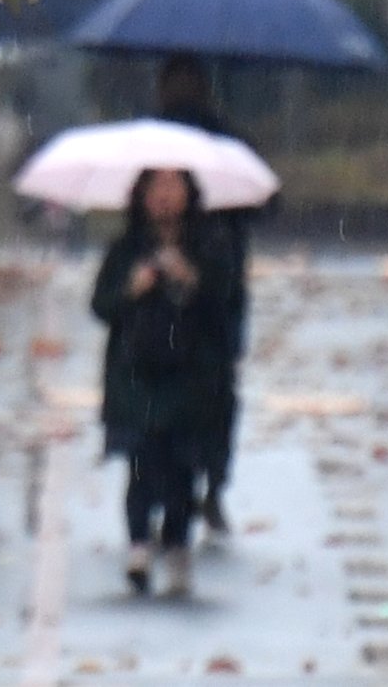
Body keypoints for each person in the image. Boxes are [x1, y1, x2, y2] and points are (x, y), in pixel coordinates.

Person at [91, 167, 234, 598]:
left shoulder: (211, 246)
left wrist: (191, 280)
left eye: (174, 187)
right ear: (141, 195)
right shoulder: (126, 249)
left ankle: (176, 544)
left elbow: (225, 304)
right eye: (156, 187)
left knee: (181, 466)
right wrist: (133, 288)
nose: (165, 197)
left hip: (191, 377)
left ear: (190, 193)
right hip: (136, 375)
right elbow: (101, 305)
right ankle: (138, 544)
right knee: (139, 459)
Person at [155, 53, 249, 534]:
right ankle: (205, 482)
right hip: (217, 298)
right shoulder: (227, 142)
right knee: (214, 395)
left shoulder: (151, 142)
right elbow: (261, 205)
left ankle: (182, 484)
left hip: (202, 296)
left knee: (176, 392)